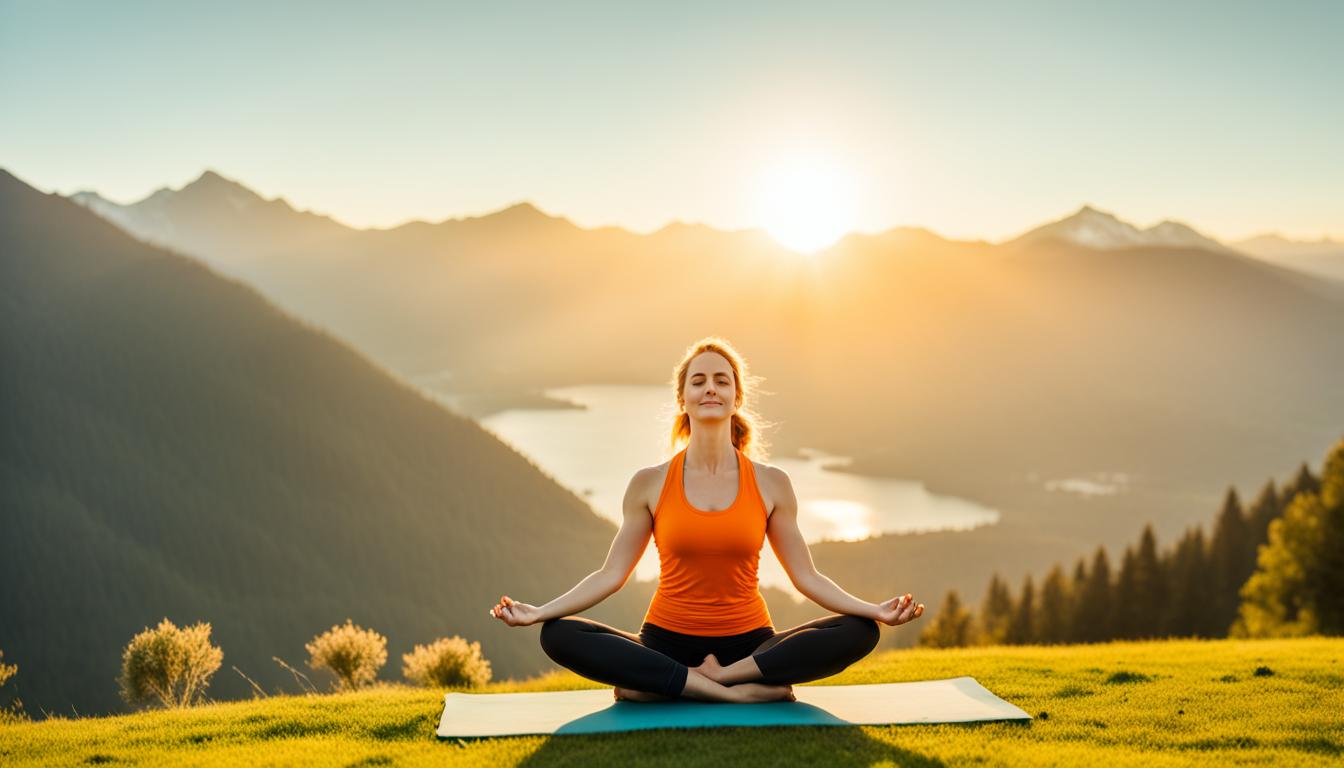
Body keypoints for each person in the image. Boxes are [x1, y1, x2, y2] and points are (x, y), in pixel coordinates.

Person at [489, 337, 924, 703]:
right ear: (683, 399)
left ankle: (690, 683)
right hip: (667, 641)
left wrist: (874, 610)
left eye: (721, 380)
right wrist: (539, 613)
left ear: (737, 397)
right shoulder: (650, 483)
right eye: (698, 381)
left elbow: (806, 577)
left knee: (860, 632)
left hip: (750, 643)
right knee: (557, 635)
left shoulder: (771, 483)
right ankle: (737, 691)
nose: (710, 389)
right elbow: (611, 574)